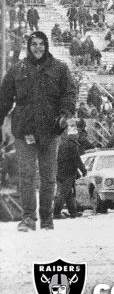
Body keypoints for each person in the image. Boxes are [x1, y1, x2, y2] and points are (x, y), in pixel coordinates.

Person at [0, 32, 77, 232]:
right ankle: (28, 219)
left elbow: (69, 94)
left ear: (47, 45)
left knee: (48, 177)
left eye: (41, 44)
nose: (37, 48)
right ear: (28, 46)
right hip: (24, 130)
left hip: (50, 131)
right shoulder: (17, 69)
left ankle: (47, 219)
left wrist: (64, 114)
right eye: (33, 44)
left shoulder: (60, 68)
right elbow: (4, 99)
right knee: (26, 175)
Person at [54, 125, 86, 219]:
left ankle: (73, 212)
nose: (78, 136)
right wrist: (83, 170)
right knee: (63, 194)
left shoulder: (63, 144)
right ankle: (56, 213)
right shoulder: (72, 145)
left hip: (61, 171)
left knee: (68, 194)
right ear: (73, 136)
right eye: (76, 134)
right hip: (67, 173)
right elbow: (77, 159)